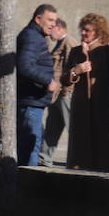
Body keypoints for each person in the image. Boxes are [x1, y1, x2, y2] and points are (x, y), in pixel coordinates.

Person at [63, 14, 109, 173]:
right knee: (80, 148)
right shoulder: (76, 52)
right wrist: (77, 70)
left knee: (102, 148)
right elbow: (65, 80)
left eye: (87, 31)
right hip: (81, 108)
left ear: (98, 32)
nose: (83, 33)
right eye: (82, 30)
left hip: (102, 108)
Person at [16, 4, 60, 166]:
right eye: (50, 20)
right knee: (30, 148)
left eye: (55, 21)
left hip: (32, 102)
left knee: (31, 145)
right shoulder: (32, 37)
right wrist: (48, 81)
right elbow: (25, 65)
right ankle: (26, 187)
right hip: (30, 102)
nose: (53, 24)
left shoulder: (34, 36)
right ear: (38, 19)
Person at [40, 18, 72, 166]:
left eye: (52, 28)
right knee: (52, 126)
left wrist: (66, 90)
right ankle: (44, 157)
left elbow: (72, 68)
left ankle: (76, 158)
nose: (49, 32)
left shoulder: (69, 42)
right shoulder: (59, 44)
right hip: (56, 94)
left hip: (64, 93)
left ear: (59, 28)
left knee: (71, 126)